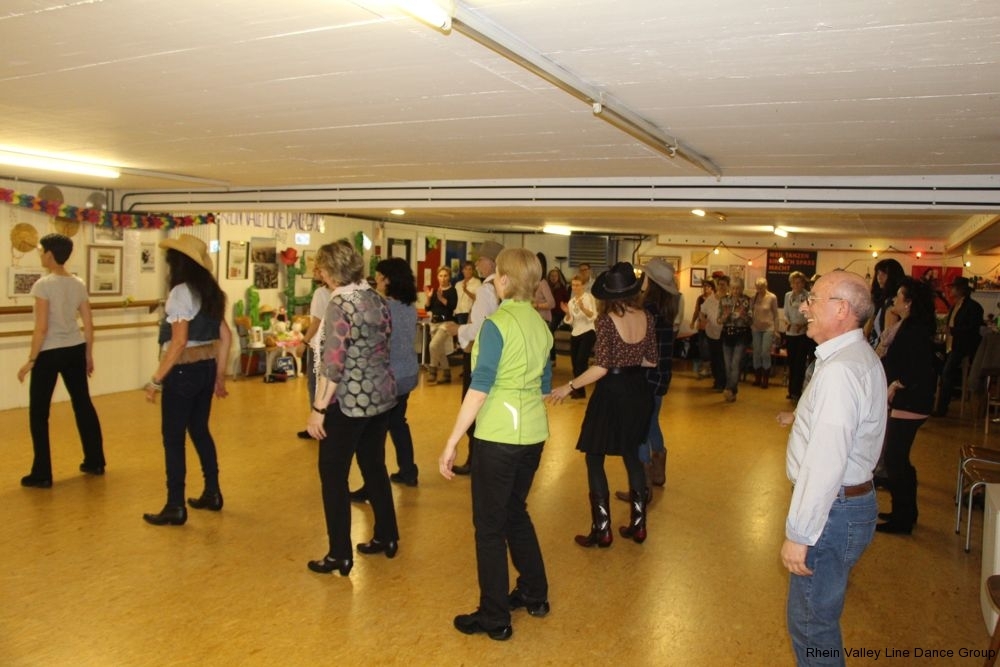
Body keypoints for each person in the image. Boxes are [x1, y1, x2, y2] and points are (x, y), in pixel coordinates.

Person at [439, 248, 553, 641]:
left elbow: (480, 387)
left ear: (503, 280)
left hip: (499, 437)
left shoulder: (496, 325)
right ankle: (535, 593)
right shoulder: (541, 326)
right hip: (533, 435)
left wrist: (452, 441)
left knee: (489, 527)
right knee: (515, 512)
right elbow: (543, 385)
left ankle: (494, 616)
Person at [779, 270, 886, 665]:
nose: (805, 307)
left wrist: (800, 533)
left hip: (833, 512)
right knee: (815, 620)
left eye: (814, 299)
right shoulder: (852, 358)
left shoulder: (841, 370)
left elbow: (826, 462)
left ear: (842, 309)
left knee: (811, 624)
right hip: (845, 505)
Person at [305, 240, 398, 576]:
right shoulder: (376, 298)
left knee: (333, 475)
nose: (320, 274)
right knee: (373, 465)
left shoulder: (340, 304)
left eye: (321, 268)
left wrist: (318, 409)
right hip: (381, 397)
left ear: (331, 270)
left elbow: (333, 363)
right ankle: (387, 535)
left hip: (349, 402)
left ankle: (339, 554)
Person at [550, 262, 658, 547]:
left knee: (594, 456)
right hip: (639, 391)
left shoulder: (606, 321)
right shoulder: (647, 316)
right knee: (632, 455)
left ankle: (603, 529)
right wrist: (631, 359)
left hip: (612, 392)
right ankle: (639, 526)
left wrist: (568, 386)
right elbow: (651, 361)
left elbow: (602, 368)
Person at [142, 235, 231, 526]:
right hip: (206, 368)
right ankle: (212, 492)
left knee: (173, 438)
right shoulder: (212, 292)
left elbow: (179, 342)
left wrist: (156, 379)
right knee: (200, 430)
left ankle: (175, 505)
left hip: (183, 372)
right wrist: (219, 376)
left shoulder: (181, 292)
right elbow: (226, 336)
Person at [17, 233, 105, 488]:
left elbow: (41, 328)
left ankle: (42, 473)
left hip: (49, 352)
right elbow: (88, 323)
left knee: (39, 413)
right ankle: (95, 461)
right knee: (83, 404)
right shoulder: (78, 283)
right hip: (75, 349)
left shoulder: (43, 285)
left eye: (41, 250)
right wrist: (88, 354)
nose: (40, 254)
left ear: (50, 255)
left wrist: (31, 359)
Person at [351, 258, 420, 494]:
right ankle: (408, 471)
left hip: (388, 377)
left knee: (375, 433)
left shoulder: (383, 307)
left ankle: (372, 486)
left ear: (388, 279)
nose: (377, 281)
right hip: (407, 373)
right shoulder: (409, 307)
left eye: (379, 277)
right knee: (398, 423)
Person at [615, 258, 678, 500]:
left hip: (644, 377)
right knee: (651, 423)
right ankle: (658, 473)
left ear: (650, 282)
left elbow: (638, 347)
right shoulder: (667, 309)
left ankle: (641, 487)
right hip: (661, 377)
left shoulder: (647, 311)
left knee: (640, 429)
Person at [877, 277, 936, 534]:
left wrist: (897, 383)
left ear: (909, 302)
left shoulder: (914, 330)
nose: (894, 299)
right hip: (909, 401)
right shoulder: (909, 326)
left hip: (911, 402)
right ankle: (906, 512)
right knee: (899, 458)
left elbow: (920, 367)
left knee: (895, 459)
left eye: (899, 296)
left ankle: (902, 519)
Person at [444, 240, 504, 475]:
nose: (477, 264)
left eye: (481, 259)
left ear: (492, 262)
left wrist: (458, 330)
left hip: (479, 354)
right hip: (497, 356)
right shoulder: (503, 289)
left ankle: (475, 461)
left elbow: (480, 327)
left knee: (472, 405)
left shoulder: (487, 289)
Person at [934, 276, 984, 417]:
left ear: (961, 290)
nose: (951, 290)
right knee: (938, 362)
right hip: (951, 345)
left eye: (953, 288)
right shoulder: (956, 306)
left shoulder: (973, 307)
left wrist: (953, 330)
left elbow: (972, 329)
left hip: (962, 347)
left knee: (947, 372)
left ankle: (942, 408)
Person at [296, 262, 330, 439]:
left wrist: (304, 341)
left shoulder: (320, 293)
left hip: (318, 345)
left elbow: (316, 322)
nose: (315, 272)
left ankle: (316, 425)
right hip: (331, 343)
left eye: (318, 269)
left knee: (315, 385)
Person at [560, 275, 597, 399]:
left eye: (577, 285)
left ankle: (579, 390)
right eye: (573, 285)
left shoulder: (589, 297)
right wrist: (567, 312)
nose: (575, 287)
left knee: (581, 362)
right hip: (575, 333)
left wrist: (583, 308)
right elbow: (570, 321)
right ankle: (579, 390)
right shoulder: (571, 302)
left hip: (588, 332)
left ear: (583, 286)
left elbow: (593, 316)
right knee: (575, 364)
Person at [718, 276, 752, 402]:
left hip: (741, 334)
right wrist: (725, 316)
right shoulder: (724, 300)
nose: (735, 291)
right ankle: (731, 389)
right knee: (728, 365)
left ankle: (730, 389)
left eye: (738, 288)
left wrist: (743, 316)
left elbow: (751, 321)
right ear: (730, 288)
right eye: (733, 288)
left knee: (735, 364)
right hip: (727, 334)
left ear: (742, 288)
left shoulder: (747, 300)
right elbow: (719, 320)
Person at [425, 266, 458, 385]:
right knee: (440, 349)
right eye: (441, 276)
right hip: (434, 323)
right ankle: (447, 374)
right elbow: (428, 308)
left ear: (449, 277)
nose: (443, 278)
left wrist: (442, 298)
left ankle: (432, 370)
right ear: (437, 277)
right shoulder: (434, 291)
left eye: (445, 276)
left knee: (433, 345)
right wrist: (428, 298)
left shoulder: (452, 290)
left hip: (447, 323)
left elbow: (452, 306)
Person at [784, 271, 812, 401]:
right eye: (794, 282)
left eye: (799, 282)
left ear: (803, 283)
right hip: (790, 332)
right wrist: (788, 322)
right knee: (791, 362)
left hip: (802, 333)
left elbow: (810, 313)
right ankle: (791, 391)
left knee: (799, 363)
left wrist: (804, 324)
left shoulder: (808, 296)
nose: (796, 285)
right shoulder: (787, 295)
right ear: (791, 284)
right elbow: (785, 313)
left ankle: (797, 391)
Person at [866, 258, 905, 348]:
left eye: (884, 274)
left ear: (893, 276)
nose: (879, 277)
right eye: (878, 273)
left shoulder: (893, 302)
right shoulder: (882, 300)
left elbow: (887, 340)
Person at [751, 277, 779, 388]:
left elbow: (776, 315)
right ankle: (757, 378)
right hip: (756, 328)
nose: (759, 289)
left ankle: (765, 379)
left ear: (766, 286)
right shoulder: (753, 297)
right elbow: (750, 312)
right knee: (756, 352)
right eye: (757, 287)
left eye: (761, 287)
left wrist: (776, 330)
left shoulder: (772, 297)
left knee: (765, 352)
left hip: (768, 328)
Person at [701, 277, 726, 391]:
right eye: (719, 284)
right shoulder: (710, 299)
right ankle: (717, 381)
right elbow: (702, 311)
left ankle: (722, 382)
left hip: (723, 333)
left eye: (724, 284)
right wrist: (703, 320)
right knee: (714, 358)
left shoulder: (728, 299)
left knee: (721, 359)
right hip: (711, 332)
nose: (721, 287)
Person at [690, 280, 713, 378]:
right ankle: (705, 368)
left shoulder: (713, 298)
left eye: (708, 286)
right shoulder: (700, 298)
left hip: (710, 327)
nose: (705, 288)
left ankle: (707, 368)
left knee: (707, 347)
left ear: (712, 288)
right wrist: (692, 321)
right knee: (701, 347)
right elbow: (696, 311)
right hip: (701, 326)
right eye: (704, 286)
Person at [454, 261, 481, 325]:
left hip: (468, 313)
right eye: (465, 269)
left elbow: (477, 298)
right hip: (457, 313)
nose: (468, 271)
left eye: (470, 269)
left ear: (473, 271)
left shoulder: (477, 282)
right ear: (462, 270)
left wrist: (466, 291)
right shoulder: (458, 284)